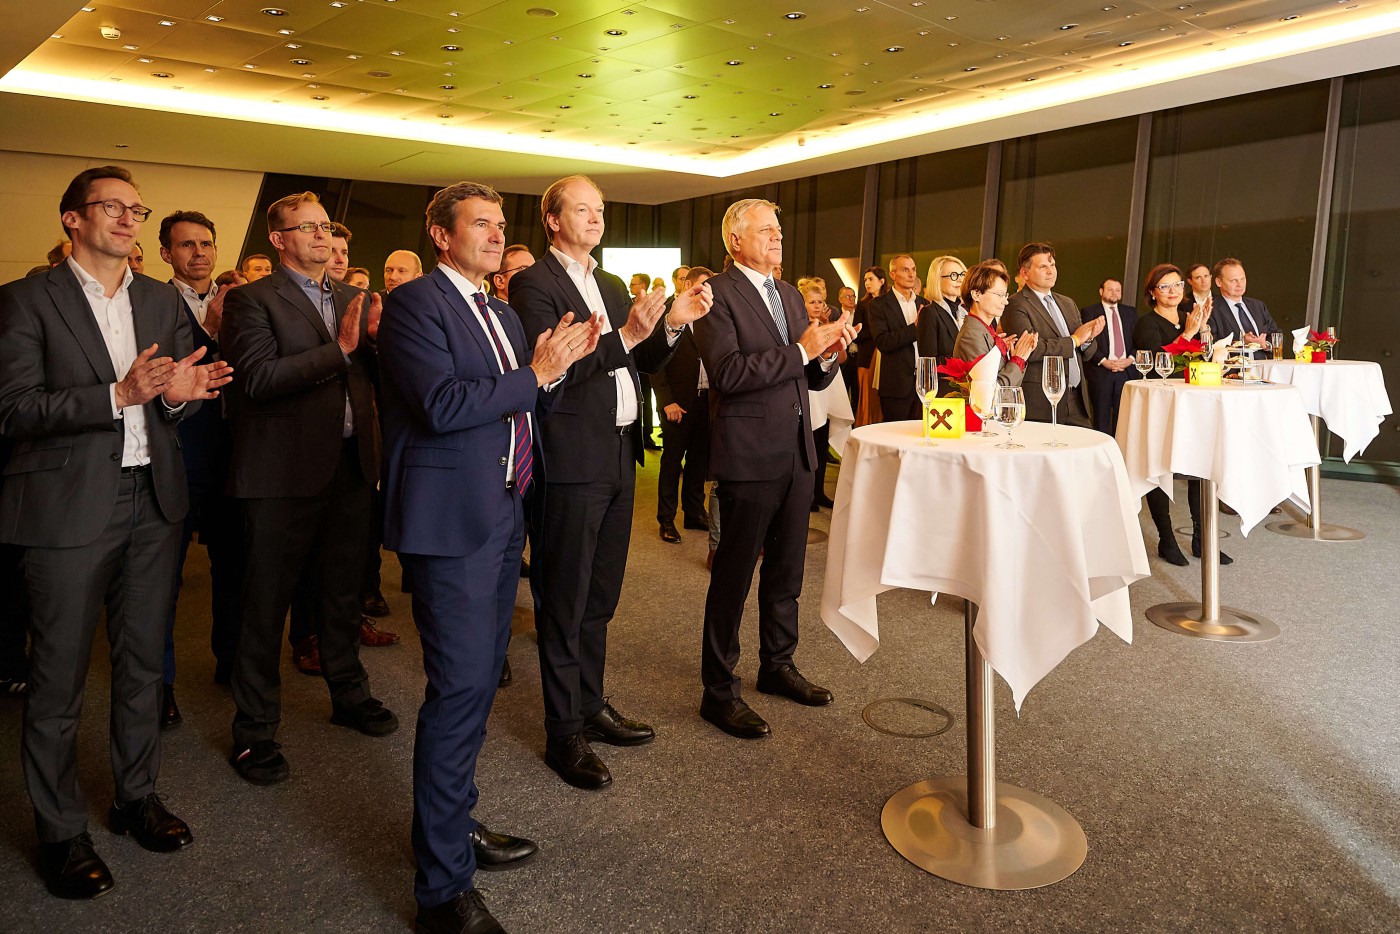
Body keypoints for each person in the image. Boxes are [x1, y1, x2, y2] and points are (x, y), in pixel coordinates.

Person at [0, 165, 232, 899]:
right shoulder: (25, 300)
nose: (130, 218)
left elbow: (171, 397)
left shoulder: (159, 299)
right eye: (113, 207)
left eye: (138, 209)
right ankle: (60, 831)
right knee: (59, 677)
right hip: (67, 507)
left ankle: (136, 797)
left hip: (154, 502)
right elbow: (13, 410)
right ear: (72, 218)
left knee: (140, 666)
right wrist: (116, 394)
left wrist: (180, 398)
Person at [379, 180, 602, 934]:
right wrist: (535, 374)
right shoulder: (415, 305)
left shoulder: (501, 311)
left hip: (504, 512)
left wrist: (556, 370)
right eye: (480, 223)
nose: (496, 234)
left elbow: (523, 401)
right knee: (458, 693)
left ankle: (453, 824)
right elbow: (442, 405)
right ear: (441, 236)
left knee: (475, 690)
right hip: (452, 522)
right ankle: (441, 891)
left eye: (500, 223)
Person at [511, 174, 712, 789]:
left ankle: (590, 705)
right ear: (552, 220)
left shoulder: (612, 284)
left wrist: (670, 326)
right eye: (582, 209)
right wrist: (627, 335)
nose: (596, 218)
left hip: (621, 455)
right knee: (564, 598)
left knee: (600, 597)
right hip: (572, 459)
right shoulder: (533, 283)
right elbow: (556, 370)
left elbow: (639, 361)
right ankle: (562, 731)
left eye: (599, 209)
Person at [222, 191, 398, 786]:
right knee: (264, 604)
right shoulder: (251, 300)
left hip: (350, 467)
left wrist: (377, 344)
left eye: (326, 226)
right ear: (278, 239)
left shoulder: (354, 297)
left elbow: (377, 379)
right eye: (308, 228)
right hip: (280, 475)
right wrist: (341, 350)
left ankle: (349, 695)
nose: (323, 236)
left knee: (342, 596)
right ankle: (254, 731)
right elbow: (258, 379)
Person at [692, 198, 856, 740]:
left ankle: (777, 665)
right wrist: (803, 350)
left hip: (797, 451)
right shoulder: (715, 294)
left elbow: (807, 377)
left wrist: (827, 353)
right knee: (734, 577)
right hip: (748, 453)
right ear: (735, 240)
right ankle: (719, 691)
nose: (778, 238)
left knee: (787, 573)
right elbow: (729, 373)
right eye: (766, 230)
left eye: (779, 231)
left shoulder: (786, 293)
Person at [156, 210, 246, 710]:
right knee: (162, 579)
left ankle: (231, 664)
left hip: (236, 455)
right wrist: (210, 329)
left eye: (206, 243)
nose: (199, 253)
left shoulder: (243, 299)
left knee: (234, 571)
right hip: (179, 454)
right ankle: (159, 683)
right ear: (167, 253)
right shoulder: (152, 302)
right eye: (187, 245)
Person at [1133, 263, 1232, 567]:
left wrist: (1203, 331)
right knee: (1161, 469)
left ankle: (1203, 538)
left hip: (1193, 402)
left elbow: (1203, 358)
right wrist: (1189, 332)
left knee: (1201, 469)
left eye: (1177, 285)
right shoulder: (1146, 324)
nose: (1173, 291)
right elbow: (1159, 364)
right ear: (1153, 293)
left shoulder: (1192, 317)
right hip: (1162, 405)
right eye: (1165, 286)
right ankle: (1166, 539)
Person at [1000, 242, 1102, 428]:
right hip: (1042, 402)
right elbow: (1032, 348)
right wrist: (1075, 340)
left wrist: (1088, 339)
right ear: (1025, 273)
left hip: (1077, 398)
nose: (1050, 271)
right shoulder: (1016, 304)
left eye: (1052, 265)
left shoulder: (1067, 303)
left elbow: (1084, 352)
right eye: (1043, 267)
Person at [653, 266, 714, 544]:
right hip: (676, 403)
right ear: (688, 285)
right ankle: (666, 519)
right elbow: (655, 363)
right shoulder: (667, 314)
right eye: (703, 286)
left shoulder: (711, 316)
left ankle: (694, 512)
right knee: (671, 461)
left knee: (699, 461)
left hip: (706, 401)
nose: (707, 293)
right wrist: (667, 401)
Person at [951, 261, 1037, 385]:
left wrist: (1005, 354)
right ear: (976, 295)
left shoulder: (984, 331)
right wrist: (1018, 360)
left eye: (1005, 295)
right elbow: (989, 389)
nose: (1005, 302)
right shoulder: (971, 336)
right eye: (999, 295)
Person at [867, 253, 928, 421]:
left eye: (913, 269)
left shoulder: (924, 303)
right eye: (905, 270)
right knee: (894, 433)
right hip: (896, 384)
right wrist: (915, 328)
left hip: (924, 383)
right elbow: (883, 342)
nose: (911, 274)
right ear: (892, 275)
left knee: (921, 433)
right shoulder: (878, 305)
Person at [1081, 277, 1141, 434]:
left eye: (1117, 290)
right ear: (1101, 291)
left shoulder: (1130, 312)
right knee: (1101, 418)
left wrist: (1130, 360)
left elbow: (1138, 340)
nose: (1114, 293)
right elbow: (1086, 340)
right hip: (1101, 371)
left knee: (1124, 418)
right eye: (1110, 289)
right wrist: (1103, 361)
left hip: (1126, 371)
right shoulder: (1090, 312)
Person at [1206, 258, 1280, 360]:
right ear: (1219, 282)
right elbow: (1210, 344)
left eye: (1242, 279)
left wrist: (1266, 344)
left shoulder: (1257, 306)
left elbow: (1276, 334)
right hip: (1232, 367)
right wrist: (1241, 342)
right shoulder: (1211, 309)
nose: (1240, 284)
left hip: (1263, 366)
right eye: (1233, 280)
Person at [918, 254, 968, 365]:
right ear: (937, 280)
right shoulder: (929, 313)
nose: (960, 280)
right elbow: (928, 362)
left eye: (962, 275)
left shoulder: (965, 312)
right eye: (953, 275)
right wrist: (965, 356)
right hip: (943, 376)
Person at [853, 265, 886, 426]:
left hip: (885, 356)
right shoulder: (862, 304)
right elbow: (856, 334)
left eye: (871, 279)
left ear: (882, 281)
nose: (867, 283)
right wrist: (876, 332)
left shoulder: (888, 304)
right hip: (867, 356)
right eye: (865, 280)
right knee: (866, 398)